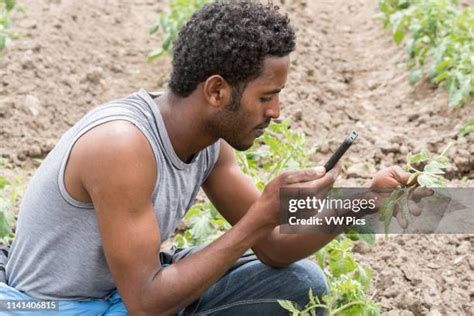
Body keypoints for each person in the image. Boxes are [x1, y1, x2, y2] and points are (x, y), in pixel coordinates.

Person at [0, 1, 424, 315]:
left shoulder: (209, 144)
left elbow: (274, 248)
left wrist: (359, 203)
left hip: (123, 294)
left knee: (300, 282)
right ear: (217, 91)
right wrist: (259, 217)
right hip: (55, 305)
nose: (276, 112)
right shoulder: (122, 145)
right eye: (266, 97)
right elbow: (146, 302)